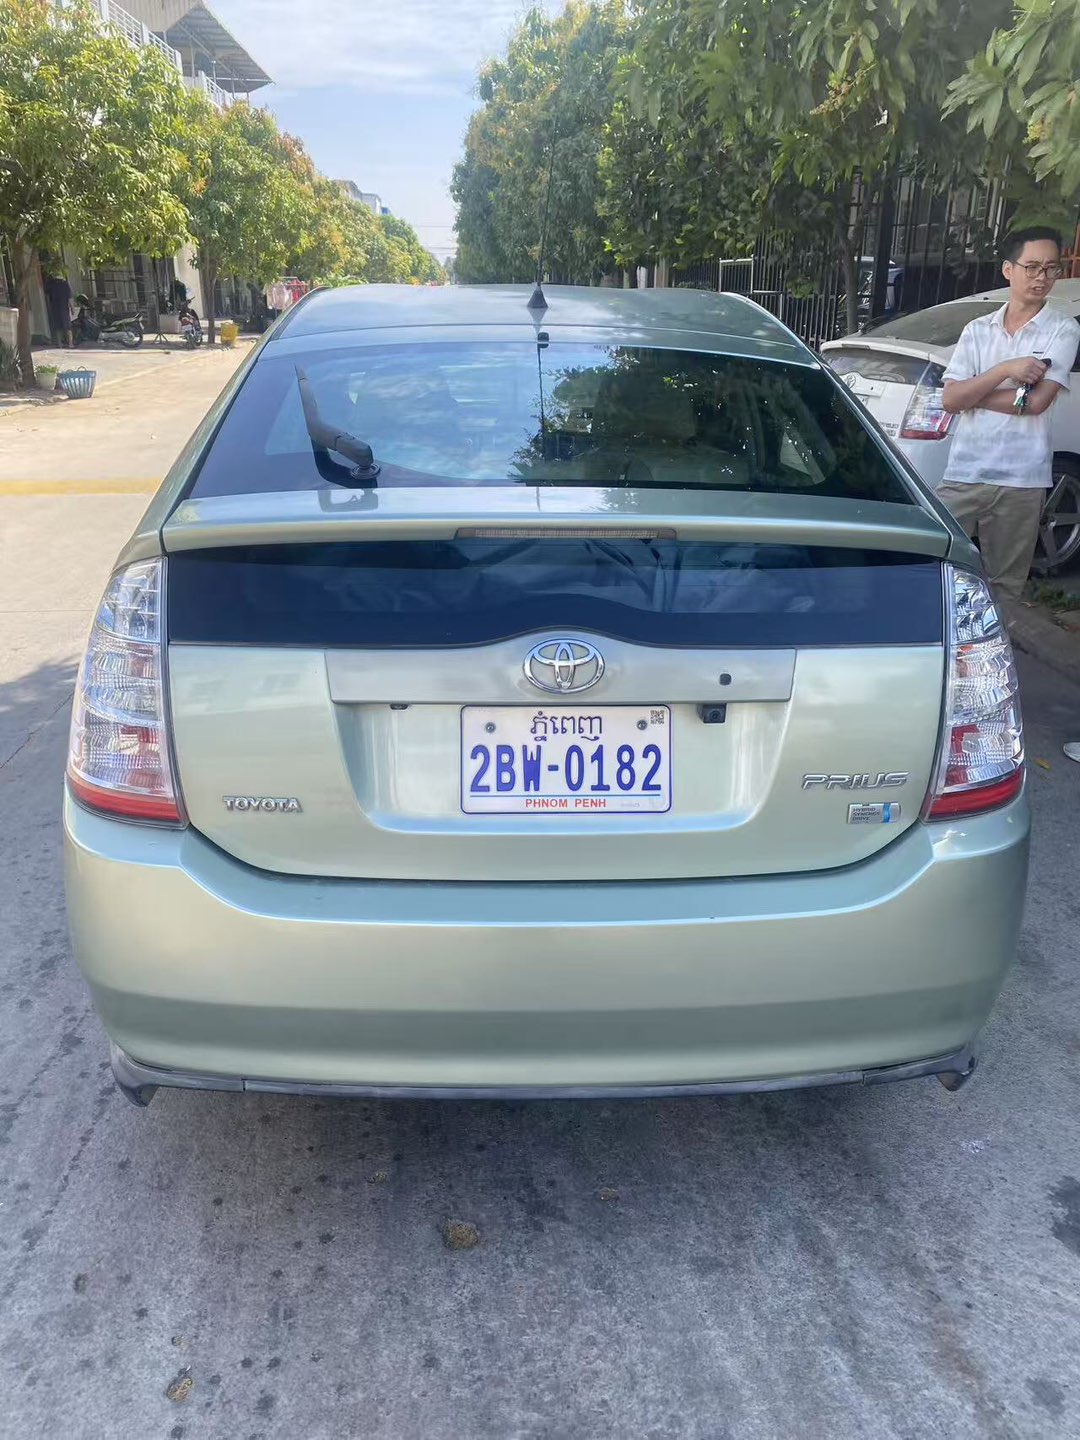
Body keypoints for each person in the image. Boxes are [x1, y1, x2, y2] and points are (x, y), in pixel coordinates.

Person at [938, 226, 1080, 627]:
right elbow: (950, 400)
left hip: (1022, 479)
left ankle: (994, 659)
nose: (1041, 277)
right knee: (938, 567)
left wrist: (973, 393)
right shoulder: (978, 330)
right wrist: (1005, 370)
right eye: (1032, 266)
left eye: (1051, 268)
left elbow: (1035, 403)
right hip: (965, 472)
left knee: (1005, 589)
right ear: (1008, 270)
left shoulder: (1062, 329)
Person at [42, 265, 73, 348]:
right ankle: (70, 344)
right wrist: (72, 308)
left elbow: (47, 295)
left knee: (58, 327)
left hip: (55, 307)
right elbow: (69, 297)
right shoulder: (65, 284)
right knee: (67, 326)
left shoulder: (51, 284)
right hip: (64, 308)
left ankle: (60, 344)